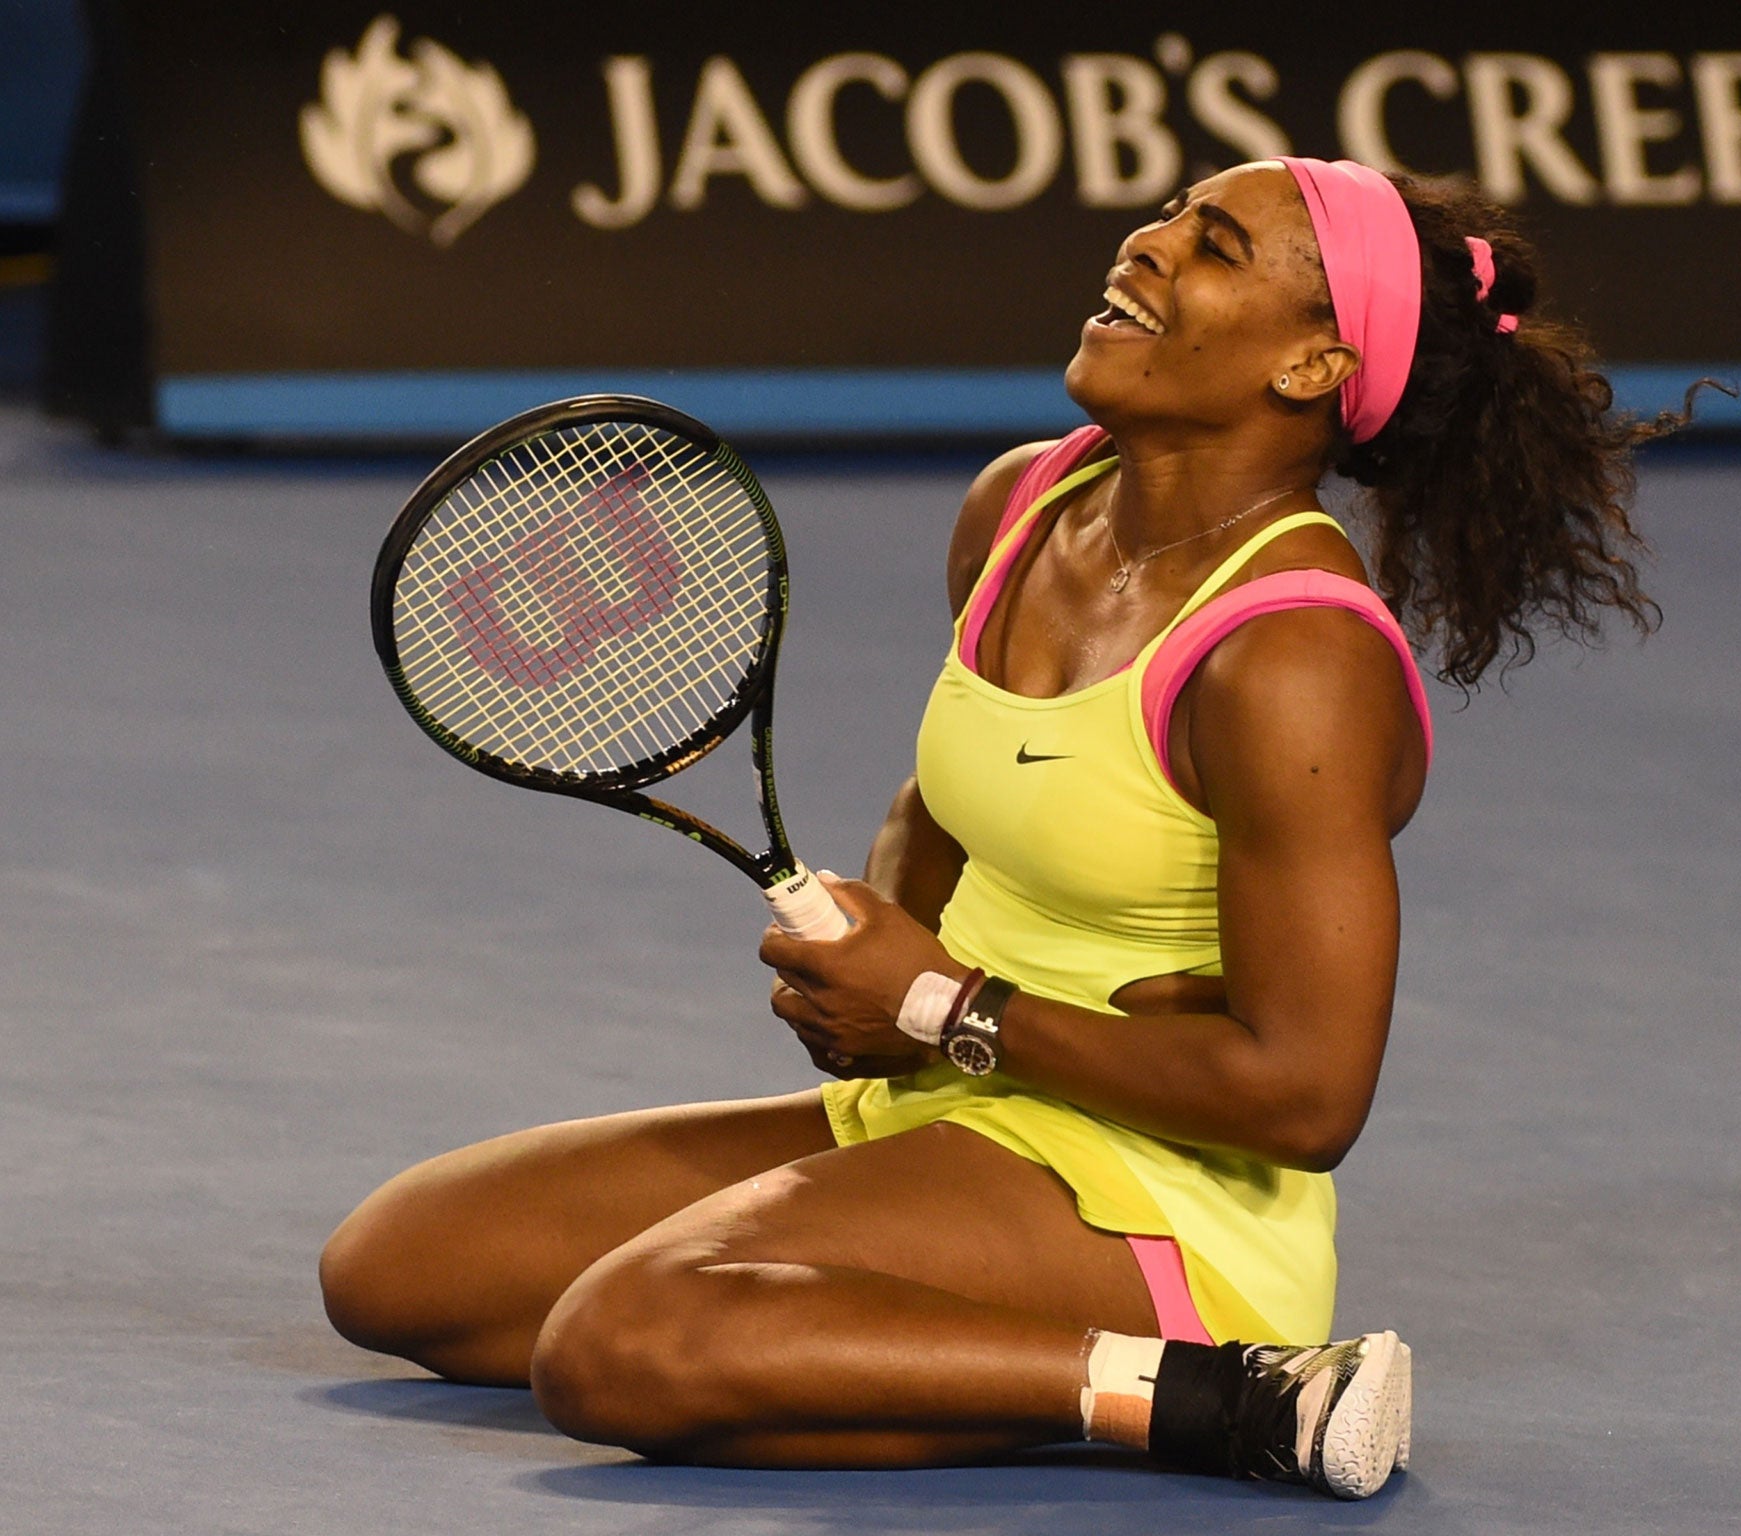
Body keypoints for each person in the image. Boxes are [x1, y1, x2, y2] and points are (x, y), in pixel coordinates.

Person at [319, 158, 1666, 1499]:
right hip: (954, 1093)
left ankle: (1221, 1389)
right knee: (399, 1269)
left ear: (1313, 365)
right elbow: (949, 798)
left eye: (1214, 247)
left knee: (624, 1345)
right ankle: (917, 1334)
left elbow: (1308, 1098)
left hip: (1159, 1195)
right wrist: (872, 971)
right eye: (1168, 216)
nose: (1147, 246)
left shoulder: (1293, 659)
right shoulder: (1025, 504)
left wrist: (944, 1004)